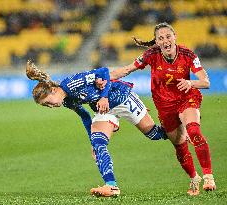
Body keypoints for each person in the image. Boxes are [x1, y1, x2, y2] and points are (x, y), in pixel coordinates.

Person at [26, 60, 167, 197]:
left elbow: (104, 71)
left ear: (53, 90)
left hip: (121, 98)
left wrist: (104, 97)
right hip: (104, 110)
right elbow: (85, 117)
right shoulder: (67, 101)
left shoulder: (70, 84)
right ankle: (111, 185)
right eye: (46, 106)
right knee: (98, 143)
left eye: (48, 102)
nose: (50, 106)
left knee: (154, 134)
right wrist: (92, 142)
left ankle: (176, 126)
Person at [107, 22, 216, 196]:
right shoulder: (151, 54)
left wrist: (190, 82)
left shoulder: (187, 54)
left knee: (193, 130)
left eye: (168, 36)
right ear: (157, 42)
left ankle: (208, 176)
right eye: (161, 38)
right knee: (180, 146)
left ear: (175, 37)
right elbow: (128, 69)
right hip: (164, 106)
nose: (165, 41)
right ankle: (194, 177)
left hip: (186, 97)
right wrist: (106, 77)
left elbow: (206, 82)